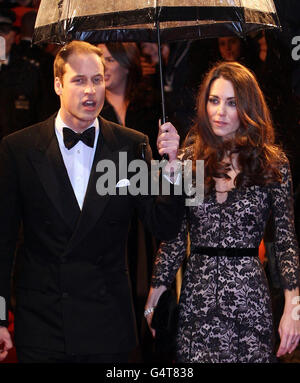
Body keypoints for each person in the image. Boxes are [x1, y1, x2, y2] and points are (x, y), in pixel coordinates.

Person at [0, 40, 184, 363]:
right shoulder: (18, 149)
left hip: (108, 326)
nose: (90, 90)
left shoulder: (132, 146)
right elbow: (2, 246)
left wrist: (172, 170)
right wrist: (0, 316)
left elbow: (163, 226)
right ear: (57, 84)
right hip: (43, 326)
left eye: (97, 79)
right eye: (79, 80)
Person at [145, 61, 300, 363]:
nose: (219, 112)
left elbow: (284, 241)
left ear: (248, 107)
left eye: (231, 103)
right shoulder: (188, 160)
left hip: (250, 304)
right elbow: (174, 238)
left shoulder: (273, 164)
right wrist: (155, 294)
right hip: (196, 305)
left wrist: (293, 307)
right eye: (213, 101)